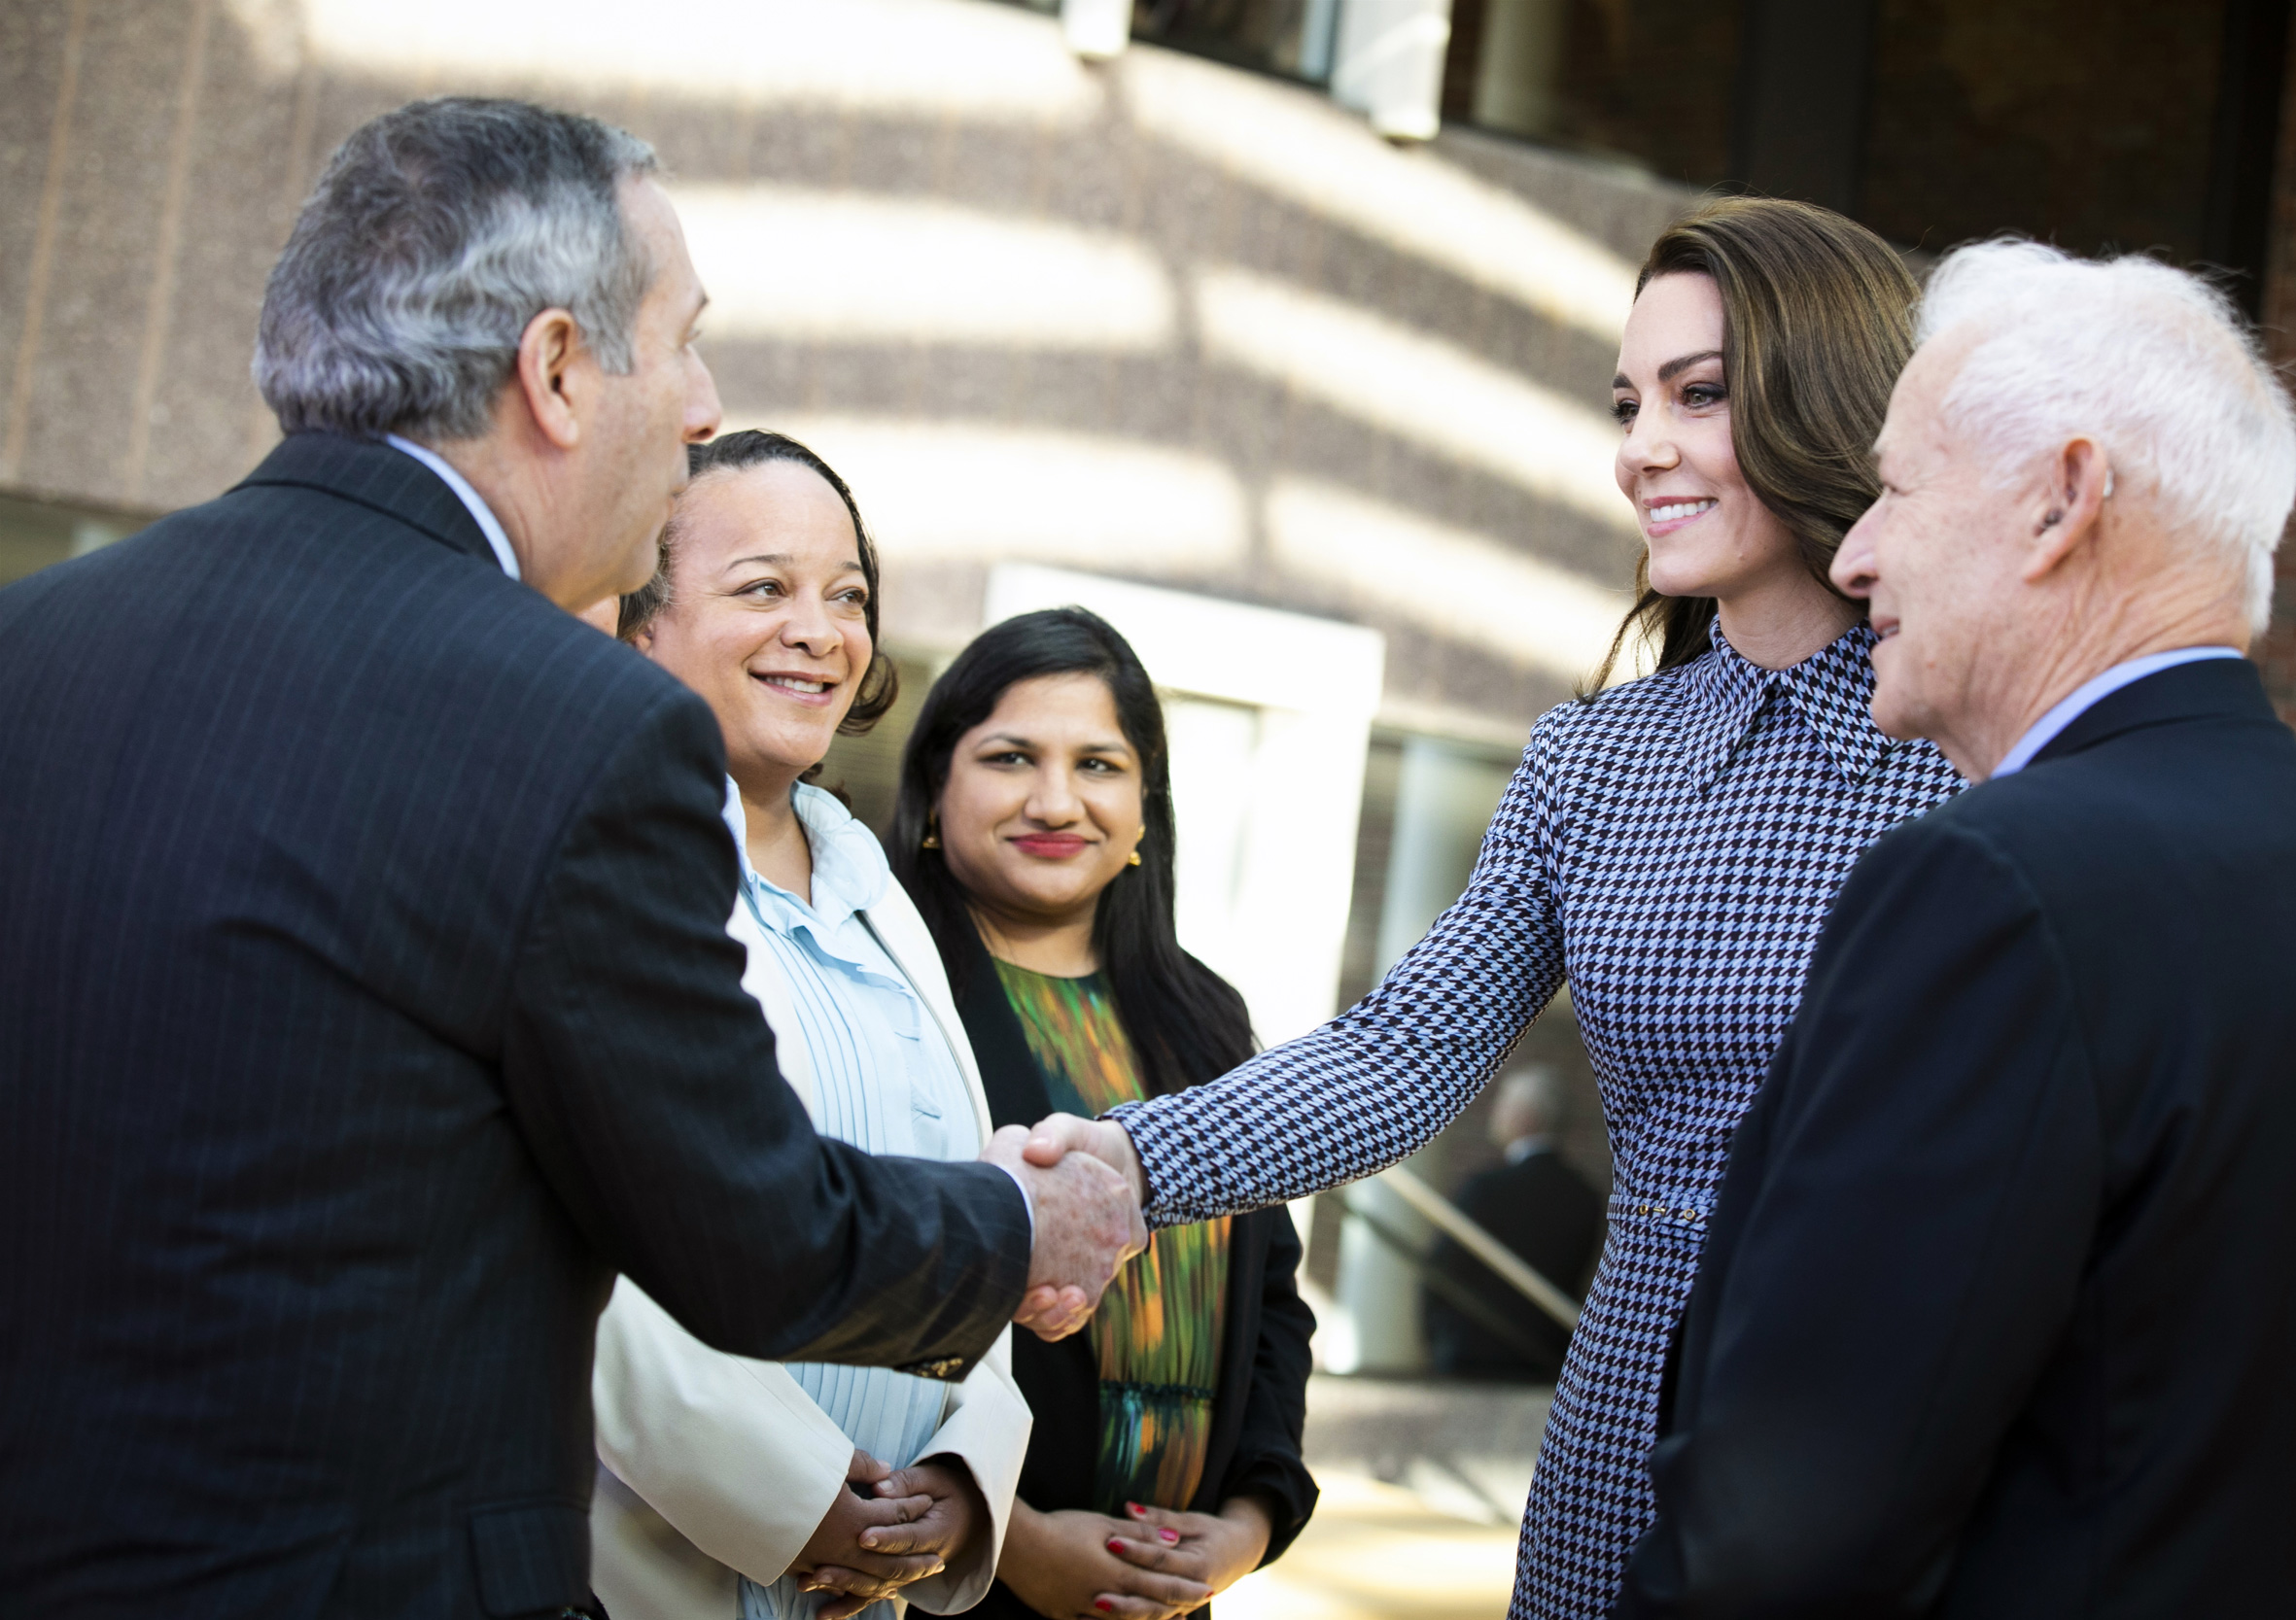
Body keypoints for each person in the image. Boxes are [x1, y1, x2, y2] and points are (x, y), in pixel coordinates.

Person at [0, 98, 1139, 1618]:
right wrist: (1020, 1221)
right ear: (554, 370)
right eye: (680, 343)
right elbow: (753, 1234)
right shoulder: (579, 727)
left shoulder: (34, 641)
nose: (699, 405)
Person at [1021, 196, 1968, 1618]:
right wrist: (1123, 1161)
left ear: (1822, 404)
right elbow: (1401, 1053)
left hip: (1894, 1405)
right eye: (1629, 399)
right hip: (1629, 1410)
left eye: (1699, 395)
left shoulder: (1974, 755)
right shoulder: (1592, 760)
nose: (1642, 443)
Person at [1611, 241, 2296, 1616]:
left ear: (2062, 499)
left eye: (1895, 491)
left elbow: (1786, 1528)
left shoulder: (1990, 888)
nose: (1859, 554)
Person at [587, 431, 1031, 1620]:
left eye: (847, 595)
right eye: (762, 587)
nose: (820, 630)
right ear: (641, 622)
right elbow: (587, 1259)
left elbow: (956, 1202)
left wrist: (962, 1472)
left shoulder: (881, 897)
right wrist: (795, 1499)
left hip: (872, 1581)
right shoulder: (595, 866)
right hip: (651, 1563)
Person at [886, 609, 1320, 1620]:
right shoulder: (885, 991)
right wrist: (1013, 1538)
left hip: (1167, 1592)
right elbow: (847, 1293)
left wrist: (1249, 1521)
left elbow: (1271, 1304)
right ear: (936, 792)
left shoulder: (1204, 1016)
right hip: (943, 1581)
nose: (1055, 799)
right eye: (1009, 756)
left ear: (1141, 809)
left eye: (1098, 763)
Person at [1423, 1066, 1604, 1382]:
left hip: (1473, 1358)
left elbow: (1443, 1271)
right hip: (1550, 1355)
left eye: (1503, 1104)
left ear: (1525, 1117)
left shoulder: (1486, 1189)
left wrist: (1440, 1340)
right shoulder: (1587, 1197)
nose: (1496, 1113)